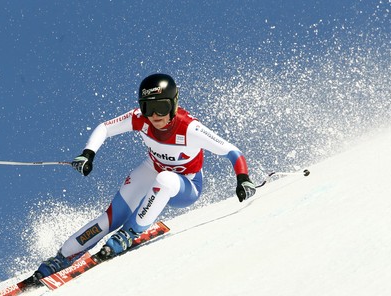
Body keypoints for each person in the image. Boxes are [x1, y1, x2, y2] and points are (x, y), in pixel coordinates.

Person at [35, 73, 256, 278]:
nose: (155, 116)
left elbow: (233, 152)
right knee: (110, 218)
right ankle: (62, 257)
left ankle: (130, 233)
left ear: (174, 104)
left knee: (165, 180)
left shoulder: (190, 128)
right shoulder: (140, 118)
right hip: (152, 167)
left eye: (161, 107)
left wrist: (242, 178)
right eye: (148, 108)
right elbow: (105, 128)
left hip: (186, 184)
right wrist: (88, 154)